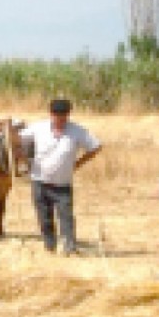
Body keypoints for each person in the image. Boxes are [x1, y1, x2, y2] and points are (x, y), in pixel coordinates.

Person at [18, 99, 102, 255]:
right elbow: (17, 140)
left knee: (66, 217)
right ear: (51, 114)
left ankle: (69, 247)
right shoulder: (38, 128)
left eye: (64, 116)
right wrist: (22, 157)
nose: (61, 120)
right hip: (39, 181)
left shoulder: (77, 131)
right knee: (44, 217)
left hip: (62, 184)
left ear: (68, 115)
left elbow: (96, 147)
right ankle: (49, 247)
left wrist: (78, 163)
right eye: (57, 116)